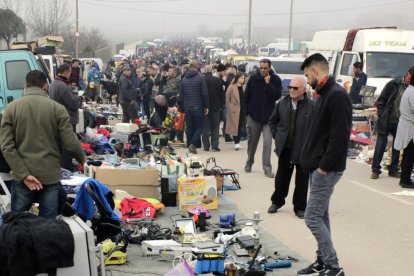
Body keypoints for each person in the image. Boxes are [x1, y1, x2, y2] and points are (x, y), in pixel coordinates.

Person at [0, 70, 86, 219]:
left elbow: (6, 146)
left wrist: (24, 175)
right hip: (49, 175)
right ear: (46, 86)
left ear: (25, 85)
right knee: (47, 223)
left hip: (23, 177)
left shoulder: (11, 109)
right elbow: (70, 142)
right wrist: (82, 159)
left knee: (16, 222)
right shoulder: (58, 109)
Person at [297, 54, 352, 276]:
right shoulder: (324, 93)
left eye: (307, 74)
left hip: (326, 169)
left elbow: (340, 136)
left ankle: (333, 266)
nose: (306, 78)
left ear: (316, 72)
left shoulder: (337, 95)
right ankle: (322, 260)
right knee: (321, 215)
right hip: (318, 166)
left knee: (311, 217)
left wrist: (324, 167)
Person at [268, 76, 315, 218]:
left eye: (295, 88)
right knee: (281, 178)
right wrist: (277, 136)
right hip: (285, 148)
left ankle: (300, 207)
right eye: (290, 88)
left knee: (302, 180)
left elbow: (317, 127)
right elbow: (273, 121)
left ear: (304, 90)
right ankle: (277, 201)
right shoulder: (282, 103)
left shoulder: (312, 106)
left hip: (303, 150)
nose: (292, 90)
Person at [371, 67, 414, 179]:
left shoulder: (411, 89)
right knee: (381, 144)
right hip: (386, 120)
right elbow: (381, 100)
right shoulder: (393, 84)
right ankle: (375, 170)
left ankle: (393, 169)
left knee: (397, 146)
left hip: (400, 122)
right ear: (407, 74)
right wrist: (381, 114)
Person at [244, 58, 282, 178]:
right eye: (261, 68)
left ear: (270, 68)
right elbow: (246, 97)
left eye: (265, 68)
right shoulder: (253, 79)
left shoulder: (276, 80)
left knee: (267, 143)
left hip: (269, 119)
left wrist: (268, 84)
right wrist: (246, 113)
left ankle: (267, 168)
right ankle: (249, 162)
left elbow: (276, 96)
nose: (263, 70)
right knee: (252, 142)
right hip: (254, 117)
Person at [48, 63, 83, 171]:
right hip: (67, 118)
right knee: (68, 145)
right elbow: (72, 103)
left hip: (57, 118)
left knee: (61, 145)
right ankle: (66, 167)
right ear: (66, 72)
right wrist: (80, 99)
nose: (70, 75)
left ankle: (63, 166)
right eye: (69, 72)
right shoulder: (62, 86)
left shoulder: (53, 83)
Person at [178, 60, 209, 154]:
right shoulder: (200, 78)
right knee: (199, 126)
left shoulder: (184, 79)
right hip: (198, 106)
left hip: (188, 107)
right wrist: (206, 106)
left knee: (190, 127)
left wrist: (182, 106)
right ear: (197, 67)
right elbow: (204, 93)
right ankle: (193, 144)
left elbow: (181, 95)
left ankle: (190, 144)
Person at [394, 74, 414, 188]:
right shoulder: (412, 92)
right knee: (409, 155)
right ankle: (405, 180)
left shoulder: (409, 90)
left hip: (407, 125)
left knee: (408, 154)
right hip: (409, 127)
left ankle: (404, 179)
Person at [202, 65, 222, 151]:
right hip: (215, 107)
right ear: (211, 71)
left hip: (204, 107)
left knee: (205, 127)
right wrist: (220, 104)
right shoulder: (217, 80)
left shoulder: (201, 79)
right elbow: (221, 94)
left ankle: (206, 146)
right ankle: (214, 146)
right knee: (215, 126)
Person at [225, 72, 247, 150]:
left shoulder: (244, 87)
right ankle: (236, 142)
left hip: (242, 109)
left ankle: (238, 142)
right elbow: (227, 97)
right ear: (237, 78)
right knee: (235, 126)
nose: (243, 79)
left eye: (243, 78)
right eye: (241, 78)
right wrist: (230, 107)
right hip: (234, 109)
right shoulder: (232, 86)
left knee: (240, 125)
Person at [217, 63, 233, 143]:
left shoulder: (227, 79)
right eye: (223, 71)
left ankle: (227, 136)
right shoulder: (217, 79)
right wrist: (222, 82)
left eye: (225, 70)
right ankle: (216, 136)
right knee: (217, 121)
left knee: (226, 119)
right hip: (218, 103)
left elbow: (228, 89)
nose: (225, 72)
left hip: (224, 103)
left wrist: (225, 82)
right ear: (219, 71)